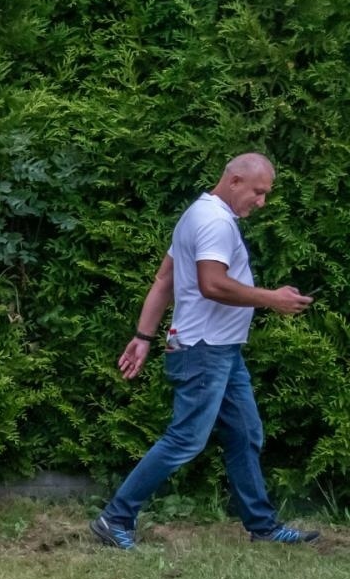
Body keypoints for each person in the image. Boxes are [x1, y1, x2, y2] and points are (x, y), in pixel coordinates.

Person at [90, 153, 318, 550]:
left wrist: (143, 336)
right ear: (234, 181)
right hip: (203, 350)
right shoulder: (214, 221)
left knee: (245, 433)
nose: (262, 202)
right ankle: (115, 517)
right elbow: (212, 284)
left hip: (221, 351)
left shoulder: (198, 214)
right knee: (186, 439)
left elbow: (164, 280)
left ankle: (262, 526)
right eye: (258, 192)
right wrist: (271, 299)